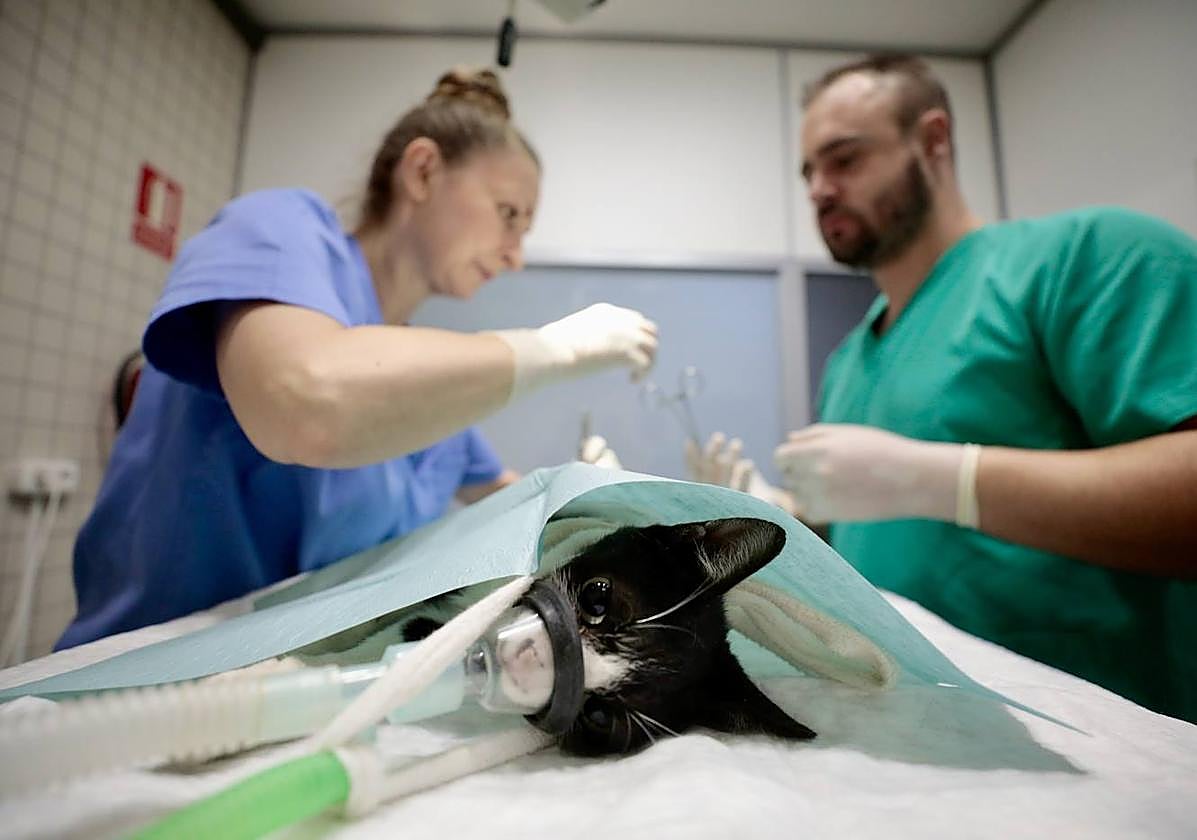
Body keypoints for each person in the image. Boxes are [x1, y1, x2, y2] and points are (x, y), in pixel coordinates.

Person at [58, 68, 658, 650]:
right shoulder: (281, 228)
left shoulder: (422, 388)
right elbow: (307, 399)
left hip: (287, 693)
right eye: (509, 216)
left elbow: (509, 501)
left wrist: (590, 499)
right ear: (423, 171)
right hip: (137, 677)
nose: (516, 256)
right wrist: (553, 348)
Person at [687, 54, 1197, 721]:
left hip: (1101, 737)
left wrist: (950, 480)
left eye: (844, 160)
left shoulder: (1089, 257)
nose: (819, 189)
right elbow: (888, 544)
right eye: (808, 172)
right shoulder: (849, 362)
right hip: (913, 739)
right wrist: (785, 521)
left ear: (932, 141)